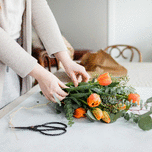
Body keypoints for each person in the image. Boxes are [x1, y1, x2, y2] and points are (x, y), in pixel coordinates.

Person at [0, 0, 90, 109]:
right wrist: (41, 74)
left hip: (15, 54)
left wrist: (66, 60)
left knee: (9, 111)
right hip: (6, 51)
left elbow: (38, 7)